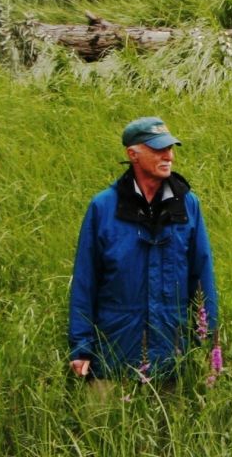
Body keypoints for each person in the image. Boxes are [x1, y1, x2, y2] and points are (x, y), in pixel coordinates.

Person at [69, 116, 219, 384]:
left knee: (168, 426)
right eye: (158, 149)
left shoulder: (187, 205)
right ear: (133, 154)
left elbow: (202, 277)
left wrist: (207, 345)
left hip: (171, 356)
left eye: (170, 149)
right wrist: (81, 347)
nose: (169, 156)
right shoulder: (103, 208)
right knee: (105, 424)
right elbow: (85, 281)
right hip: (114, 355)